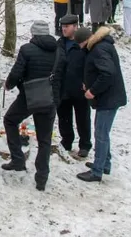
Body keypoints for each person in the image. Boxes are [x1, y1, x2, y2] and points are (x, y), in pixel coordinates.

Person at [1, 21, 58, 191]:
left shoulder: (27, 49)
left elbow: (17, 72)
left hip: (28, 97)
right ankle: (42, 177)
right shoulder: (58, 50)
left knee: (10, 120)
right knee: (45, 139)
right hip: (49, 98)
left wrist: (9, 85)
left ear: (33, 34)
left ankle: (18, 160)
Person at [76, 26, 127, 182]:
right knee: (102, 132)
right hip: (109, 97)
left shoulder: (98, 50)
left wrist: (93, 90)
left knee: (101, 134)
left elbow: (107, 73)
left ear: (84, 41)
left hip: (108, 98)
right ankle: (104, 163)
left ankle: (97, 172)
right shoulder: (102, 46)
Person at [53, 16, 92, 158]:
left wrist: (88, 83)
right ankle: (67, 141)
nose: (64, 28)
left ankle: (85, 145)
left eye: (67, 26)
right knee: (64, 118)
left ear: (75, 27)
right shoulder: (59, 44)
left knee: (82, 118)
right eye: (62, 26)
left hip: (80, 88)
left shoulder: (84, 44)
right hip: (63, 88)